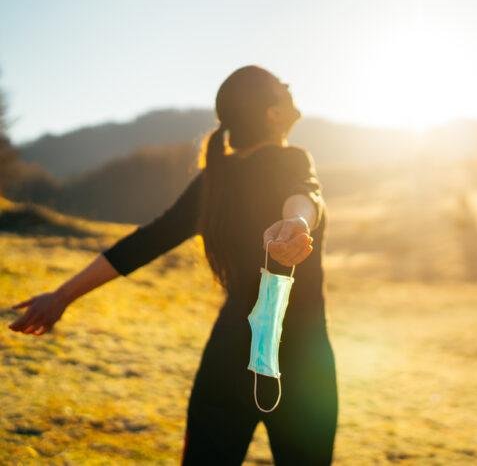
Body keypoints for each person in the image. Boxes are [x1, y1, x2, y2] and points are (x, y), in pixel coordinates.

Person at [7, 65, 339, 465]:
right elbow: (305, 193)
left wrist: (62, 296)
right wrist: (300, 221)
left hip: (228, 355)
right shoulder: (285, 160)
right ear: (271, 112)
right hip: (304, 361)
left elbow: (144, 242)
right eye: (280, 85)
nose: (288, 86)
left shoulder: (213, 180)